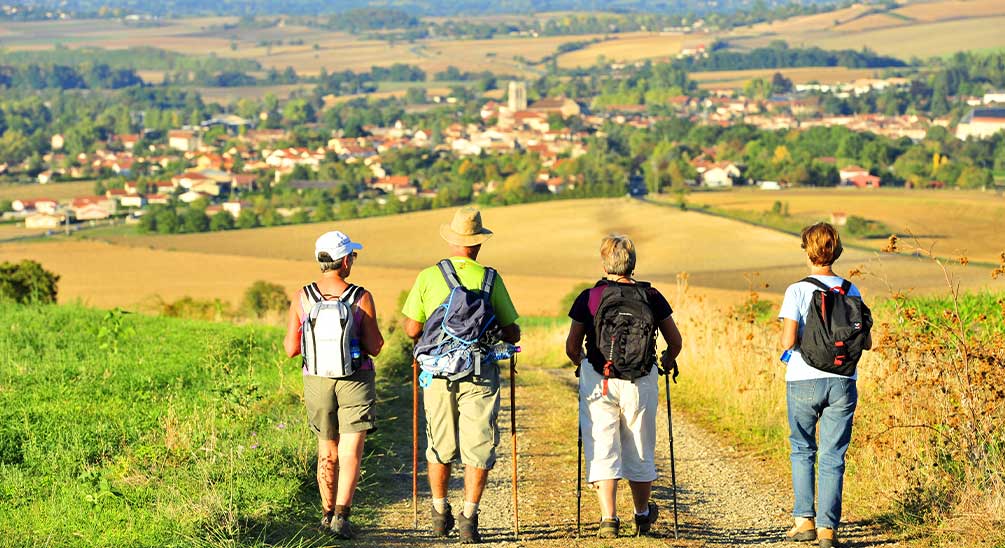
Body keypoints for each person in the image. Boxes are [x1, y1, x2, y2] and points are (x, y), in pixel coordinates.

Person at [402, 206, 521, 544]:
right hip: (480, 372)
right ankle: (469, 517)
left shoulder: (428, 276)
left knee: (439, 444)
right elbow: (512, 332)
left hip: (437, 374)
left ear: (452, 240)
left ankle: (440, 513)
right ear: (479, 244)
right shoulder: (491, 279)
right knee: (479, 444)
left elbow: (412, 328)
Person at [565, 234, 683, 538]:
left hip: (599, 378)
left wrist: (581, 362)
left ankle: (609, 519)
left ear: (605, 263)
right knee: (641, 444)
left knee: (602, 443)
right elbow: (675, 342)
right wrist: (667, 361)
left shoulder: (590, 297)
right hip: (640, 380)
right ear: (633, 264)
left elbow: (572, 345)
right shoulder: (652, 297)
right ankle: (642, 515)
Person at [283, 230, 384, 539]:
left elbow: (290, 348)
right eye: (351, 256)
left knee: (327, 449)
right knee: (351, 448)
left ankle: (325, 515)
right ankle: (342, 515)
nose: (352, 260)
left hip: (316, 379)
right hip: (355, 378)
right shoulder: (361, 296)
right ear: (343, 261)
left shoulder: (303, 297)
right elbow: (376, 345)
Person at [779, 223, 872, 548]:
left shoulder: (797, 290)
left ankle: (804, 521)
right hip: (844, 380)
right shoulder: (852, 290)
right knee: (834, 455)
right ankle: (828, 530)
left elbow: (789, 340)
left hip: (804, 378)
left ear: (808, 250)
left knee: (803, 449)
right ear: (837, 250)